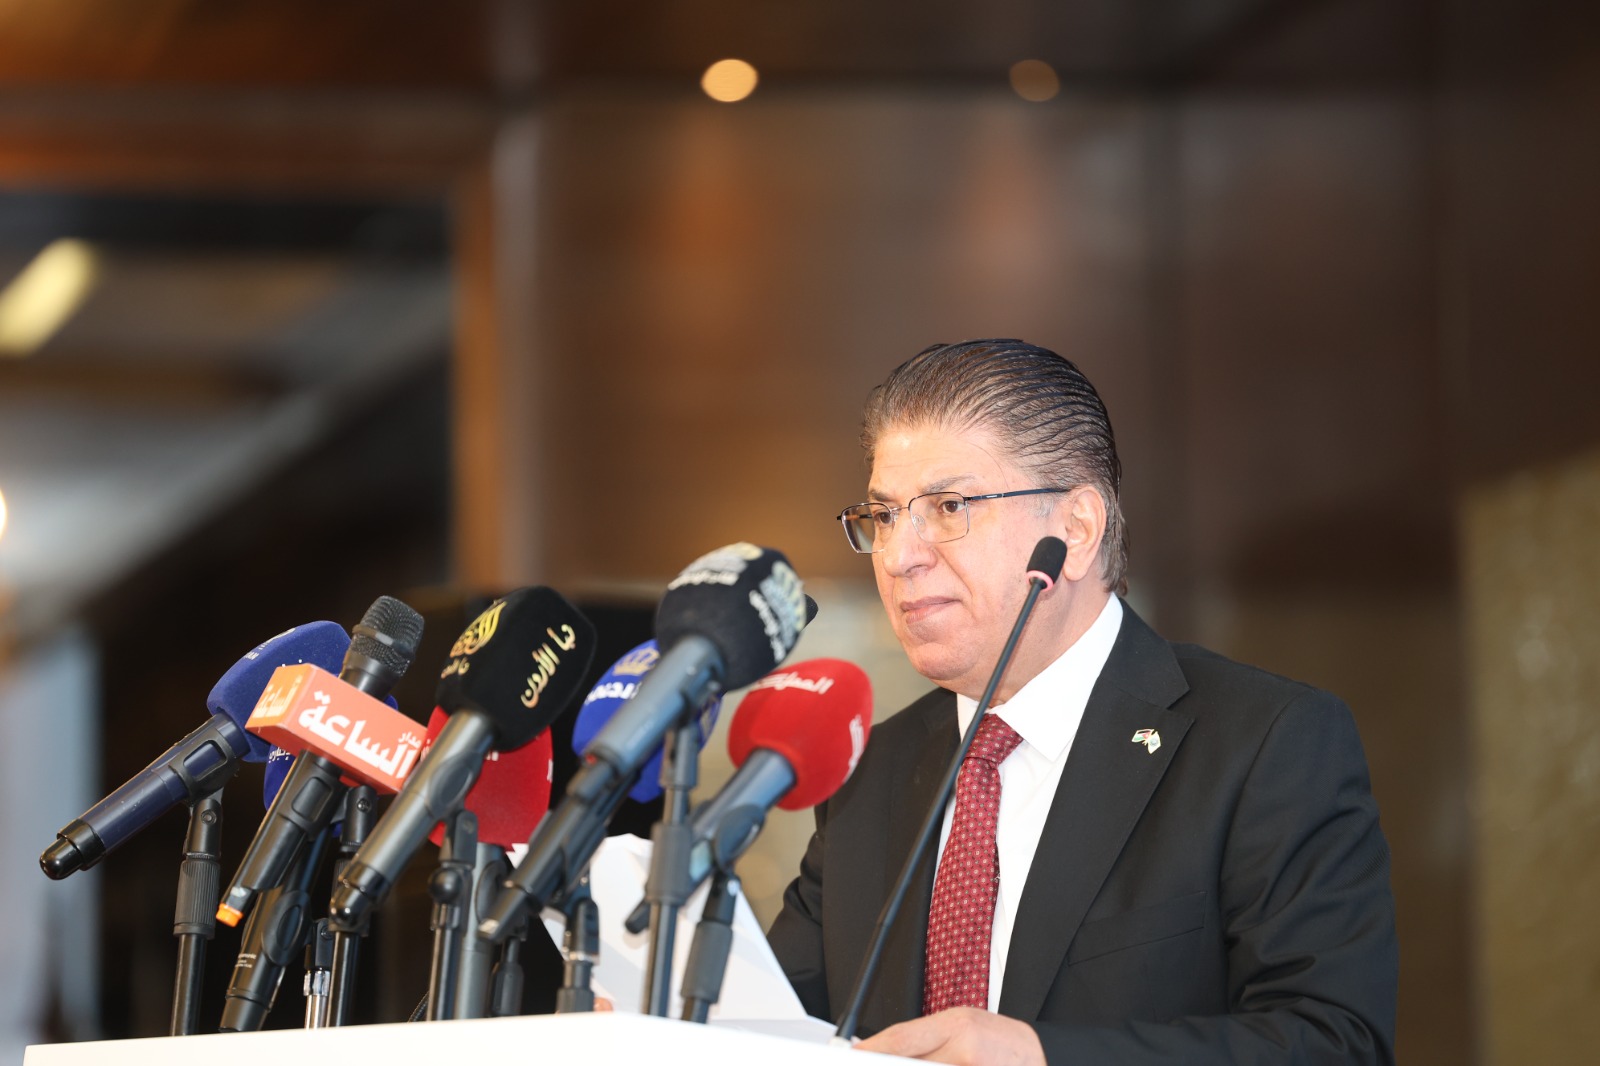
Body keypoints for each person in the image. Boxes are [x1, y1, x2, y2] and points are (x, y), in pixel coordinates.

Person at [766, 339, 1397, 1065]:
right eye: (883, 515)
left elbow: (1333, 1044)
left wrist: (1042, 1057)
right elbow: (774, 1029)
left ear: (1076, 528)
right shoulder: (867, 770)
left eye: (948, 506)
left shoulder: (1263, 743)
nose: (900, 556)